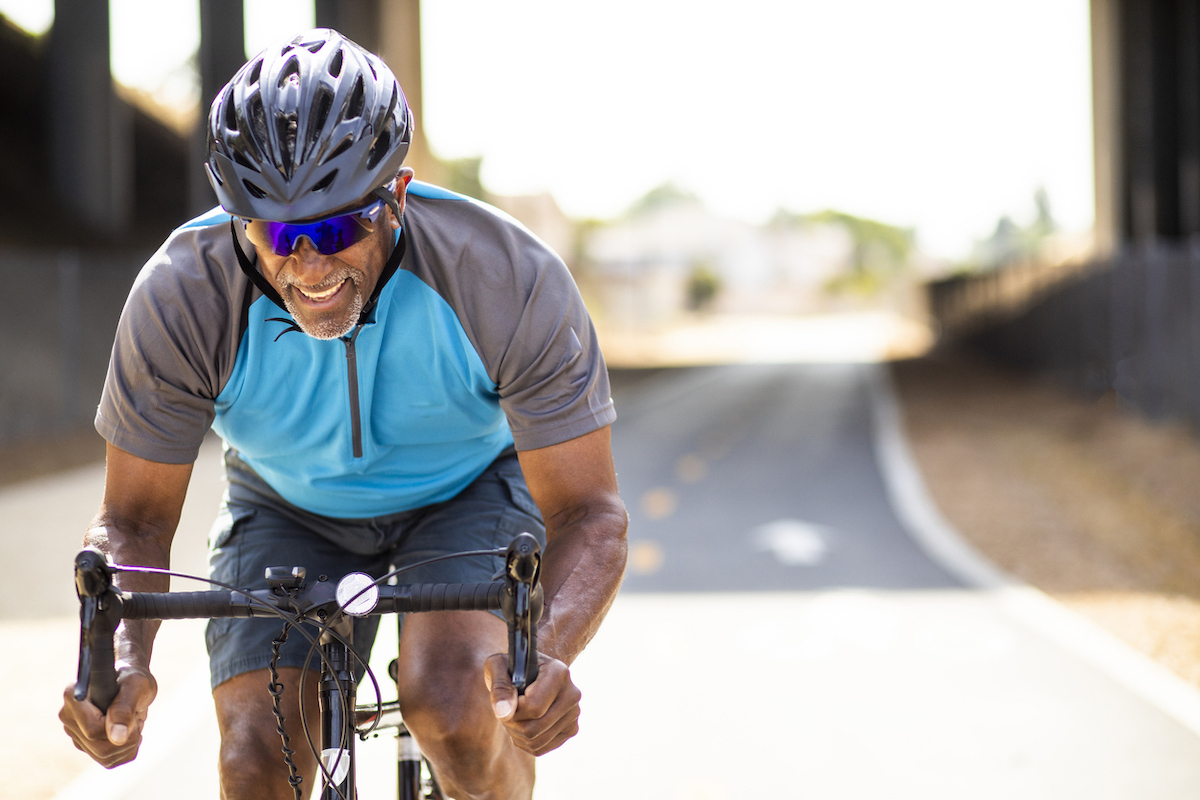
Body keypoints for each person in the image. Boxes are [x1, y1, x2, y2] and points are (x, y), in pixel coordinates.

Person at [58, 28, 627, 800]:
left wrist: (546, 655)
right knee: (255, 761)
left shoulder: (503, 274)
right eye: (281, 234)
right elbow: (131, 521)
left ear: (397, 195)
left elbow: (590, 512)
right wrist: (119, 658)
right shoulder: (182, 295)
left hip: (466, 489)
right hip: (285, 504)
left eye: (336, 228)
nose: (311, 265)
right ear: (239, 223)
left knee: (459, 707)